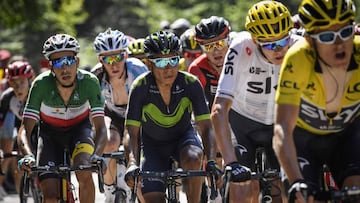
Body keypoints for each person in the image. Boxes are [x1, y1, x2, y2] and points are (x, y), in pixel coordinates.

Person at [211, 1, 301, 202]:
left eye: (282, 40)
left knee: (287, 190)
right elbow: (219, 109)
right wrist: (230, 164)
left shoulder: (298, 46)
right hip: (243, 122)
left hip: (279, 123)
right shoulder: (241, 47)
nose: (278, 49)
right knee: (243, 187)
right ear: (255, 39)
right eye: (270, 44)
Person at [272, 0, 360, 202]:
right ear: (310, 41)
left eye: (345, 33)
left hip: (346, 136)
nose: (339, 44)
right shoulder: (297, 59)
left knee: (356, 191)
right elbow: (282, 127)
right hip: (304, 140)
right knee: (303, 196)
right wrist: (295, 182)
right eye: (327, 37)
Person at [124, 31, 219, 203]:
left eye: (173, 60)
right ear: (149, 64)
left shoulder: (190, 83)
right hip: (152, 146)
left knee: (193, 157)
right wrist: (132, 163)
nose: (168, 67)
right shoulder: (140, 86)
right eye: (160, 61)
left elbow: (206, 127)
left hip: (183, 139)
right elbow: (132, 133)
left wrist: (211, 161)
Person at [17, 33, 108, 203]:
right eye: (58, 62)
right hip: (50, 135)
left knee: (84, 170)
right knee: (50, 194)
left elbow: (101, 128)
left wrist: (97, 155)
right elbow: (25, 129)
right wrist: (28, 155)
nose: (64, 68)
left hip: (80, 131)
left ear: (77, 62)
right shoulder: (41, 84)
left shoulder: (90, 82)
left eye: (69, 60)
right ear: (51, 66)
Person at [92, 28, 148, 203]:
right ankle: (109, 190)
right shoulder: (96, 76)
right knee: (109, 143)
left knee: (132, 142)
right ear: (100, 60)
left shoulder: (138, 69)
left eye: (118, 57)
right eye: (108, 59)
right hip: (113, 114)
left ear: (126, 55)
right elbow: (94, 111)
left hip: (137, 114)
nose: (114, 64)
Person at [0, 60, 35, 197]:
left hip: (41, 128)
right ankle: (23, 195)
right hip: (20, 130)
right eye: (14, 83)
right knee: (16, 163)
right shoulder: (7, 97)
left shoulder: (38, 91)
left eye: (22, 82)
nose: (18, 87)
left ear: (29, 80)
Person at [189, 16, 231, 111]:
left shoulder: (241, 58)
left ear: (228, 40)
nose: (216, 51)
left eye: (220, 44)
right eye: (208, 47)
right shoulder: (197, 68)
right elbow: (195, 107)